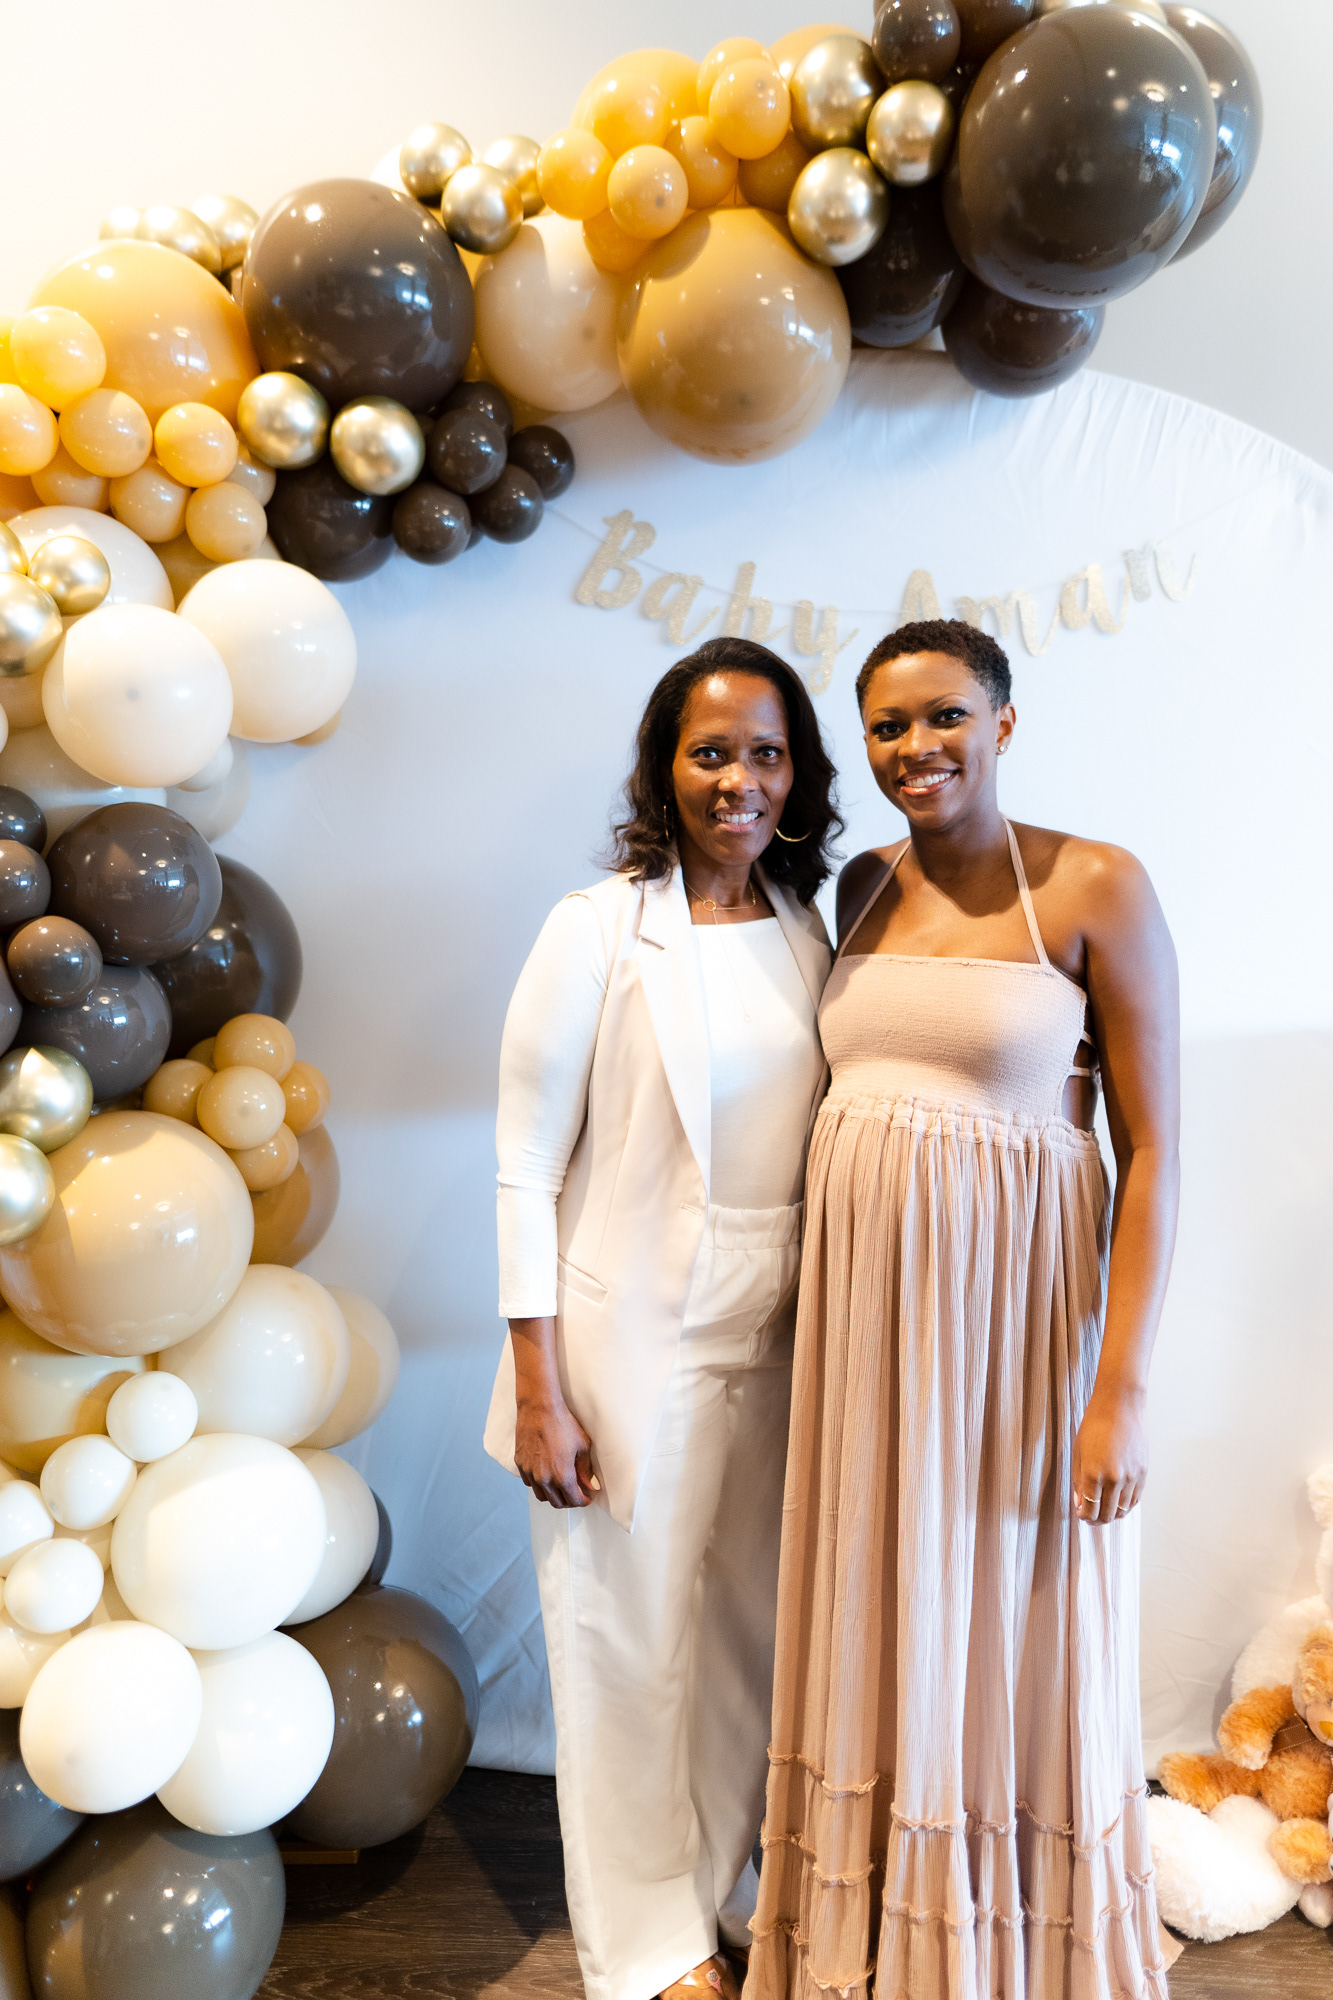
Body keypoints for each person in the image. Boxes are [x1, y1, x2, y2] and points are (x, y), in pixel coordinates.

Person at [745, 620, 1180, 2000]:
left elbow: (1152, 1150)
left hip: (1017, 1332)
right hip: (867, 1332)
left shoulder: (1094, 884)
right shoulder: (858, 886)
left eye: (944, 717)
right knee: (883, 1601)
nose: (914, 748)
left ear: (1003, 722)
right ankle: (879, 1929)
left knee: (1012, 1608)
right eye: (886, 726)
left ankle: (1013, 1937)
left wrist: (1119, 1390)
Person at [484, 637, 843, 2000]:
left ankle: (716, 1898)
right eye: (711, 753)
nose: (738, 779)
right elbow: (524, 1164)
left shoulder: (806, 926)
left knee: (748, 1646)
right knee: (624, 1655)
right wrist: (538, 1386)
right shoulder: (595, 930)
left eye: (765, 753)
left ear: (796, 774)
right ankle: (642, 1950)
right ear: (663, 768)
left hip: (778, 1344)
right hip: (626, 1353)